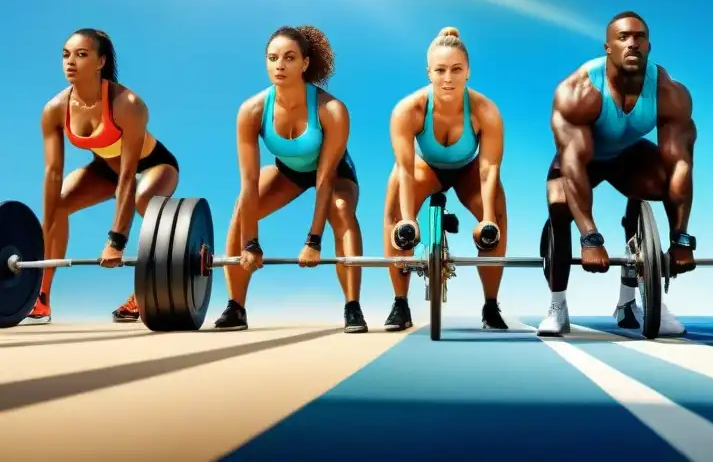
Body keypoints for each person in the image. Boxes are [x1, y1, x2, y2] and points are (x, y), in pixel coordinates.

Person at [537, 11, 695, 338]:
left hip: (626, 156)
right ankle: (557, 304)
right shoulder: (578, 91)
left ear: (649, 46)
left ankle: (631, 301)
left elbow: (680, 163)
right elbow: (574, 163)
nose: (632, 43)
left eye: (639, 37)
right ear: (608, 47)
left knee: (662, 181)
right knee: (558, 203)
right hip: (582, 159)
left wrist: (679, 238)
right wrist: (590, 238)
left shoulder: (669, 93)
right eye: (623, 37)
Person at [214, 25, 366, 333]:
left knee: (341, 211)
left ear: (305, 64)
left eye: (289, 57)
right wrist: (251, 243)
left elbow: (323, 180)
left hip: (334, 173)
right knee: (242, 209)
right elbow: (249, 180)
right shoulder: (252, 111)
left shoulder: (331, 110)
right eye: (273, 58)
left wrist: (313, 241)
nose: (280, 65)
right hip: (289, 172)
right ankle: (236, 307)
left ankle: (353, 307)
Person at [25, 28, 180, 325]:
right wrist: (42, 235)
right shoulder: (55, 109)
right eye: (66, 55)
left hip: (152, 167)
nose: (70, 62)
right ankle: (41, 297)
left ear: (100, 62)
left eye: (81, 55)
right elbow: (53, 172)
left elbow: (128, 174)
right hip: (105, 170)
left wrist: (116, 241)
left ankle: (144, 293)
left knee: (144, 198)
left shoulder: (127, 105)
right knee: (57, 207)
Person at [382, 26, 509, 332]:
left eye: (456, 70)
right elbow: (405, 167)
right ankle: (400, 303)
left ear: (468, 72)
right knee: (395, 213)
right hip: (423, 168)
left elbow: (490, 168)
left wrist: (488, 221)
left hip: (469, 170)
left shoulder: (485, 111)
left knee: (498, 219)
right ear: (429, 72)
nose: (448, 78)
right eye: (440, 70)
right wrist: (408, 220)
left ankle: (491, 306)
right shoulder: (408, 110)